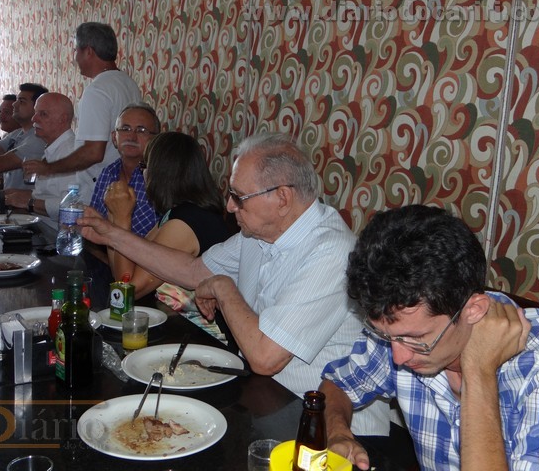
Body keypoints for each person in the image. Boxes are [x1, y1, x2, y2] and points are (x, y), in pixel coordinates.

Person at [79, 133, 392, 436]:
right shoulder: (258, 233)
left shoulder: (331, 252)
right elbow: (192, 270)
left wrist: (223, 287)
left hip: (328, 429)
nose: (229, 206)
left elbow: (265, 358)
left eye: (239, 197)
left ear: (282, 198)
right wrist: (112, 234)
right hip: (269, 402)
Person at [320, 205, 539, 471]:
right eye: (385, 335)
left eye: (417, 339)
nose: (399, 357)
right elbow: (338, 385)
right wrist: (337, 433)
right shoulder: (399, 330)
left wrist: (478, 370)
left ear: (473, 310)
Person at [23, 22, 142, 202]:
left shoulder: (97, 90)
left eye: (76, 50)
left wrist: (48, 169)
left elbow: (93, 152)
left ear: (88, 51)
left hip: (99, 190)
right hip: (123, 185)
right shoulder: (129, 83)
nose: (75, 58)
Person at [104, 131, 231, 299]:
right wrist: (113, 216)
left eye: (144, 165)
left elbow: (127, 291)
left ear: (159, 172)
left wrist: (121, 219)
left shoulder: (187, 222)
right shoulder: (177, 212)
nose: (143, 173)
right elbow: (122, 270)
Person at [4, 92, 77, 229]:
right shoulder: (53, 147)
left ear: (63, 119)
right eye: (35, 113)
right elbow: (49, 194)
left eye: (43, 114)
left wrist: (29, 202)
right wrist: (18, 194)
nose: (34, 118)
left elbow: (71, 205)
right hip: (42, 227)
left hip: (57, 234)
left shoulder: (70, 153)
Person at [89, 103, 160, 238]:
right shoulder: (108, 173)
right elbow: (93, 226)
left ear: (156, 139)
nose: (131, 137)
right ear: (114, 137)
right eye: (125, 129)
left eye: (141, 130)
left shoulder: (162, 179)